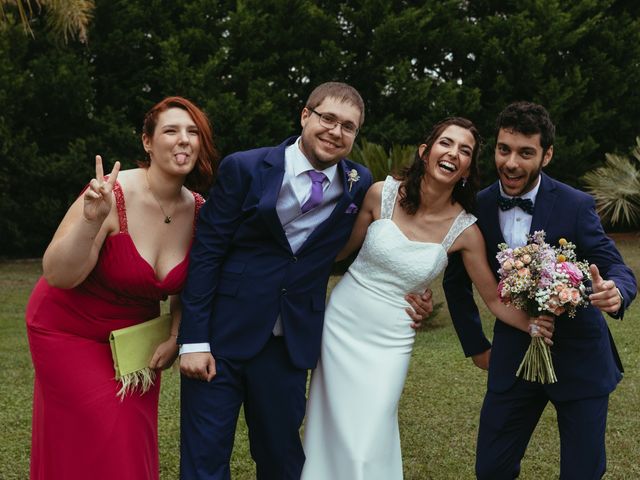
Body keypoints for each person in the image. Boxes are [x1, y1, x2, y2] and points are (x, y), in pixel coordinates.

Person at [177, 82, 433, 480]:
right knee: (205, 459)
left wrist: (416, 287)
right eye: (327, 118)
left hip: (289, 344)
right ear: (305, 116)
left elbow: (402, 232)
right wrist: (193, 341)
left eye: (348, 127)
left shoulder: (358, 183)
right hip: (222, 336)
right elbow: (207, 254)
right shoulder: (245, 168)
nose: (336, 131)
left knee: (281, 460)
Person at [300, 117, 554, 480]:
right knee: (329, 428)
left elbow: (495, 301)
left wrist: (534, 322)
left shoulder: (465, 230)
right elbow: (336, 255)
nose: (454, 153)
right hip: (342, 324)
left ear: (467, 168)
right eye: (446, 143)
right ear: (425, 151)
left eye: (465, 150)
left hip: (392, 339)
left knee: (369, 434)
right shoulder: (380, 194)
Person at [25, 96, 218, 480]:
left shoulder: (200, 210)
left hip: (135, 344)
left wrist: (177, 335)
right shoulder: (110, 194)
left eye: (193, 132)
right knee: (104, 433)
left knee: (129, 439)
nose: (184, 140)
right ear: (147, 141)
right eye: (171, 130)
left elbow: (190, 286)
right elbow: (59, 275)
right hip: (68, 329)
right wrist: (91, 222)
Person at [443, 101, 637, 479]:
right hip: (512, 359)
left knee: (582, 473)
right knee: (491, 469)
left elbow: (614, 264)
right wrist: (477, 346)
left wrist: (618, 291)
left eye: (525, 153)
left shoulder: (576, 204)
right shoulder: (475, 207)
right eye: (504, 150)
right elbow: (455, 282)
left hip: (581, 359)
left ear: (546, 155)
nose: (511, 163)